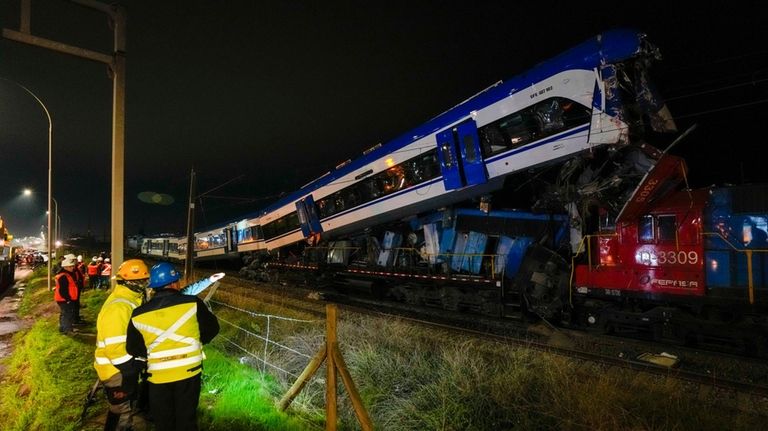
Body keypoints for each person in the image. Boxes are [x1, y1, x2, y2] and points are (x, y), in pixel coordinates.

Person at [126, 262, 221, 431]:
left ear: (153, 286)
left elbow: (133, 348)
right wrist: (197, 342)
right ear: (175, 282)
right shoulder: (192, 303)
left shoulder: (138, 314)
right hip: (189, 372)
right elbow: (213, 329)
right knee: (187, 420)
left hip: (158, 376)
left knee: (164, 421)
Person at [94, 259, 151, 431]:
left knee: (119, 410)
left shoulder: (128, 300)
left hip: (119, 368)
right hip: (117, 370)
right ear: (131, 282)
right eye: (142, 281)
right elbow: (115, 348)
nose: (145, 284)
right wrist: (133, 368)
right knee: (122, 414)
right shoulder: (120, 307)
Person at [54, 255, 79, 334]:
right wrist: (68, 299)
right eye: (70, 266)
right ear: (66, 267)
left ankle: (63, 328)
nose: (72, 268)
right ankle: (67, 330)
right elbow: (63, 290)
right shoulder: (63, 276)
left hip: (63, 299)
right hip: (64, 299)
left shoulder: (64, 275)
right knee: (67, 314)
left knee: (64, 313)